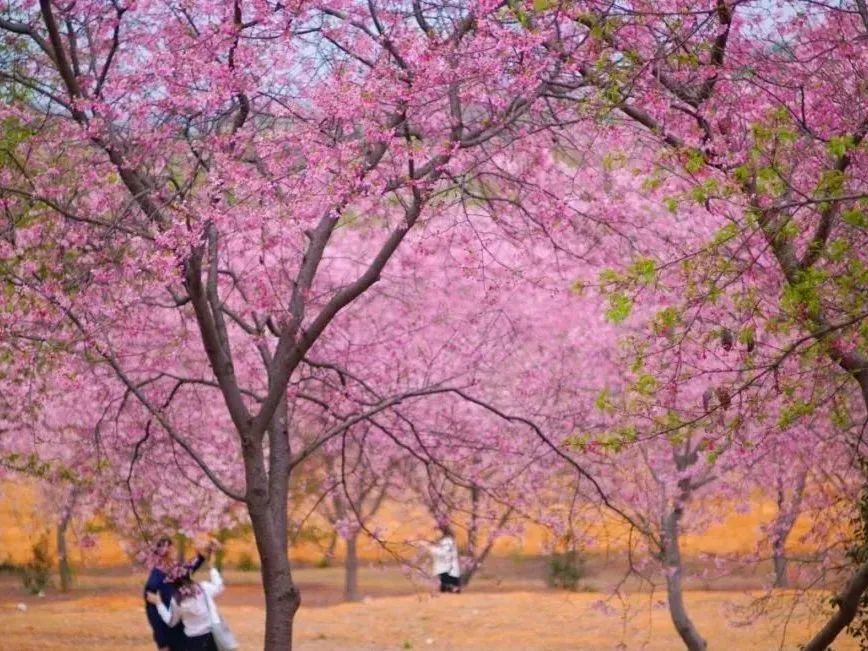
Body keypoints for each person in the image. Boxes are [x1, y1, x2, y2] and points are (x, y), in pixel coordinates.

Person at [146, 557, 226, 651]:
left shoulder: (177, 600)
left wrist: (158, 603)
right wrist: (212, 567)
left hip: (193, 642)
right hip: (211, 638)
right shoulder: (203, 588)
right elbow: (219, 586)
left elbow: (171, 621)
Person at [144, 536, 207, 651]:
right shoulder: (155, 578)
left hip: (185, 628)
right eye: (171, 549)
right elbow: (152, 613)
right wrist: (161, 642)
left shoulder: (176, 569)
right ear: (164, 552)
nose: (174, 551)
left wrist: (201, 555)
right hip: (170, 632)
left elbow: (189, 568)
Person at [424, 525, 461, 593]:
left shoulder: (447, 541)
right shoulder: (445, 541)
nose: (435, 533)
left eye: (437, 531)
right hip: (447, 570)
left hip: (448, 570)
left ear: (442, 532)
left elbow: (443, 553)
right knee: (446, 590)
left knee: (449, 589)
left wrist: (430, 548)